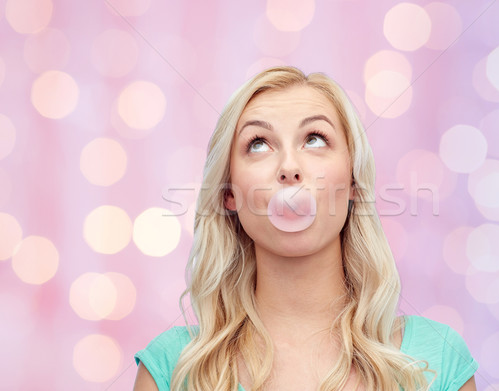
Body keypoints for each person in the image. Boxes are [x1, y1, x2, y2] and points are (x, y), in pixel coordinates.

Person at [133, 66, 478, 391]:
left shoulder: (436, 359)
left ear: (354, 183)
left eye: (314, 139)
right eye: (259, 144)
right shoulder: (172, 367)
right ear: (228, 194)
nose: (289, 167)